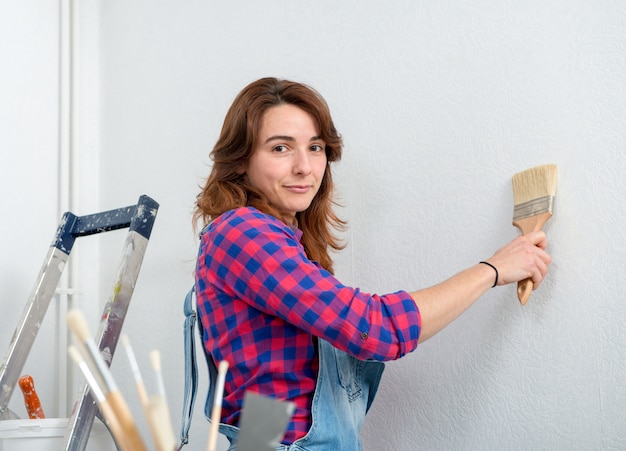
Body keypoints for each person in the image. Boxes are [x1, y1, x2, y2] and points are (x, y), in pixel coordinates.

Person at [192, 77, 551, 450]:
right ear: (240, 161)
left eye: (315, 147)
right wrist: (491, 270)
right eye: (280, 148)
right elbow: (372, 328)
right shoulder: (242, 232)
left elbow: (263, 396)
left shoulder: (277, 242)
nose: (304, 167)